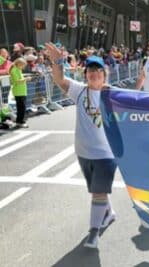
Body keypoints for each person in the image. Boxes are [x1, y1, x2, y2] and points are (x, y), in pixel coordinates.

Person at [45, 42, 117, 249]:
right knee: (97, 190)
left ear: (105, 73)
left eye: (98, 70)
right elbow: (58, 79)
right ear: (85, 74)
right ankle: (109, 213)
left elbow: (144, 105)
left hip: (106, 154)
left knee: (98, 192)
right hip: (84, 152)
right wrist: (57, 61)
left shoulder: (114, 95)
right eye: (90, 71)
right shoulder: (79, 91)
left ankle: (93, 233)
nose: (94, 74)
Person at [9, 57, 30, 128]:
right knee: (21, 107)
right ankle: (20, 121)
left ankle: (20, 121)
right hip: (18, 91)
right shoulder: (14, 70)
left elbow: (20, 79)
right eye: (23, 65)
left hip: (22, 91)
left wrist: (24, 79)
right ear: (19, 64)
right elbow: (17, 81)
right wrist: (26, 79)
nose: (23, 67)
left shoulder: (18, 69)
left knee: (21, 107)